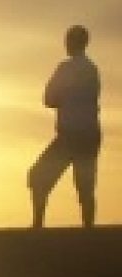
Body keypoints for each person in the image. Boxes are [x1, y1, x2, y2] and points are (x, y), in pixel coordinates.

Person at [28, 25, 101, 229]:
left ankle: (37, 225)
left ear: (72, 42)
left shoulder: (66, 68)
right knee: (85, 187)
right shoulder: (92, 69)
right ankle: (88, 230)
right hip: (90, 134)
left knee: (37, 177)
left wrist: (64, 98)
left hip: (70, 135)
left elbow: (49, 99)